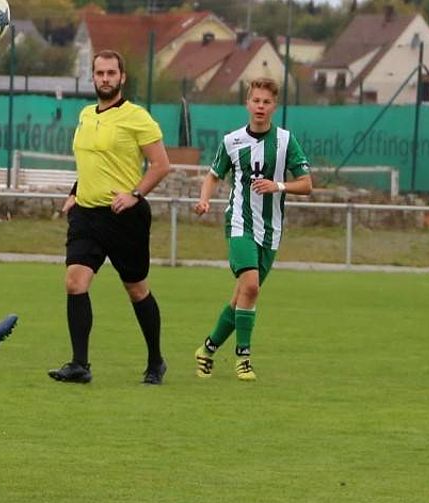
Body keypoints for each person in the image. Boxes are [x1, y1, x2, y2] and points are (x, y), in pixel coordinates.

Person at [47, 49, 172, 385]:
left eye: (111, 73)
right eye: (99, 73)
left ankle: (156, 361)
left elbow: (161, 165)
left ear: (122, 77)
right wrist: (75, 192)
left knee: (136, 289)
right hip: (86, 216)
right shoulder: (86, 115)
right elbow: (91, 162)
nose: (105, 79)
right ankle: (79, 364)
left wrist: (135, 195)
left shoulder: (137, 117)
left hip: (123, 217)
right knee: (75, 282)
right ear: (92, 77)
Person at [191, 77, 312, 381]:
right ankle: (243, 358)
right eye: (256, 101)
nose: (260, 106)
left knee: (242, 297)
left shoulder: (285, 141)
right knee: (252, 288)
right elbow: (213, 175)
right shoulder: (232, 141)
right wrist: (204, 200)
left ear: (274, 106)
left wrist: (278, 185)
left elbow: (307, 184)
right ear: (247, 103)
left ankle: (207, 349)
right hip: (239, 223)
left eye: (266, 102)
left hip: (271, 230)